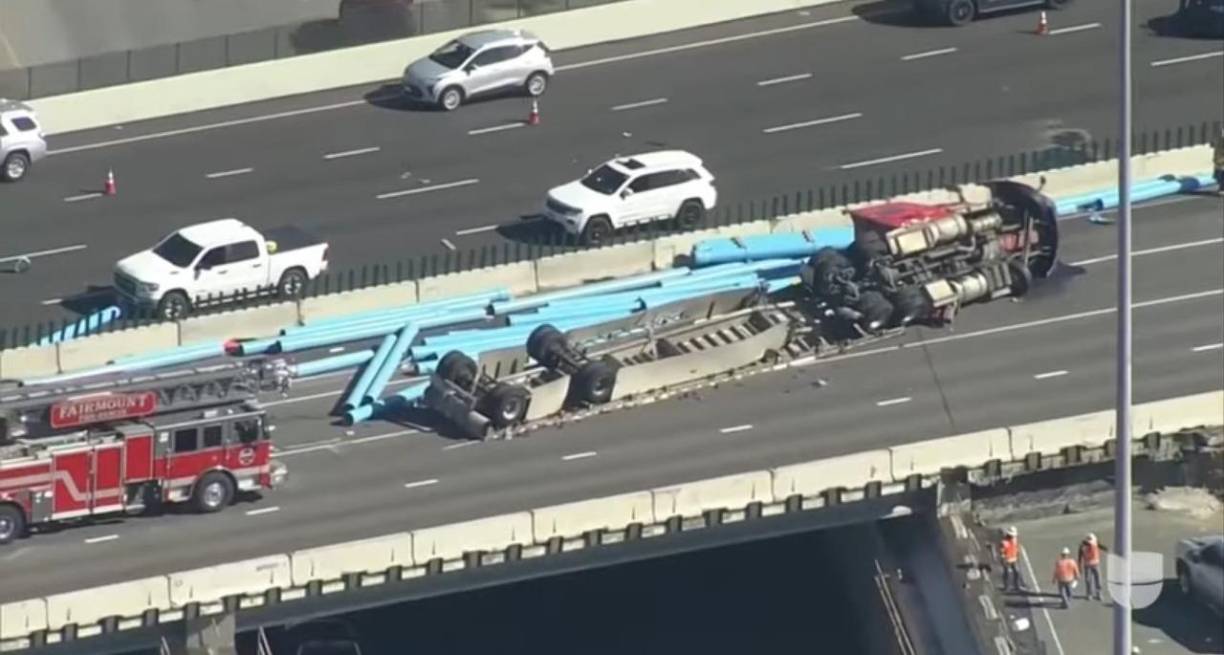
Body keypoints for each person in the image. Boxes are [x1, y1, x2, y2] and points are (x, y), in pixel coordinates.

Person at [1077, 533, 1108, 601]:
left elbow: (1100, 546)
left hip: (1095, 564)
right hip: (1088, 565)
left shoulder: (1095, 542)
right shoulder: (1083, 546)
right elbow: (1080, 556)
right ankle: (1089, 594)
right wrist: (1079, 565)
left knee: (1098, 580)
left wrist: (1105, 548)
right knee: (1088, 580)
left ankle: (1098, 594)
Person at [997, 526, 1024, 592]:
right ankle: (1006, 586)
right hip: (1007, 559)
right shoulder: (1004, 542)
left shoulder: (1015, 539)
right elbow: (1001, 551)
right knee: (1007, 573)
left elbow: (1016, 547)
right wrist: (1003, 558)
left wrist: (1017, 553)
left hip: (1014, 558)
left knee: (1016, 572)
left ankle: (1017, 586)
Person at [1213, 127, 1224, 195]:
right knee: (1218, 174)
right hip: (1219, 161)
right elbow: (1217, 151)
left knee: (1221, 173)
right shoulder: (1220, 141)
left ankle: (1222, 188)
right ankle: (1221, 187)